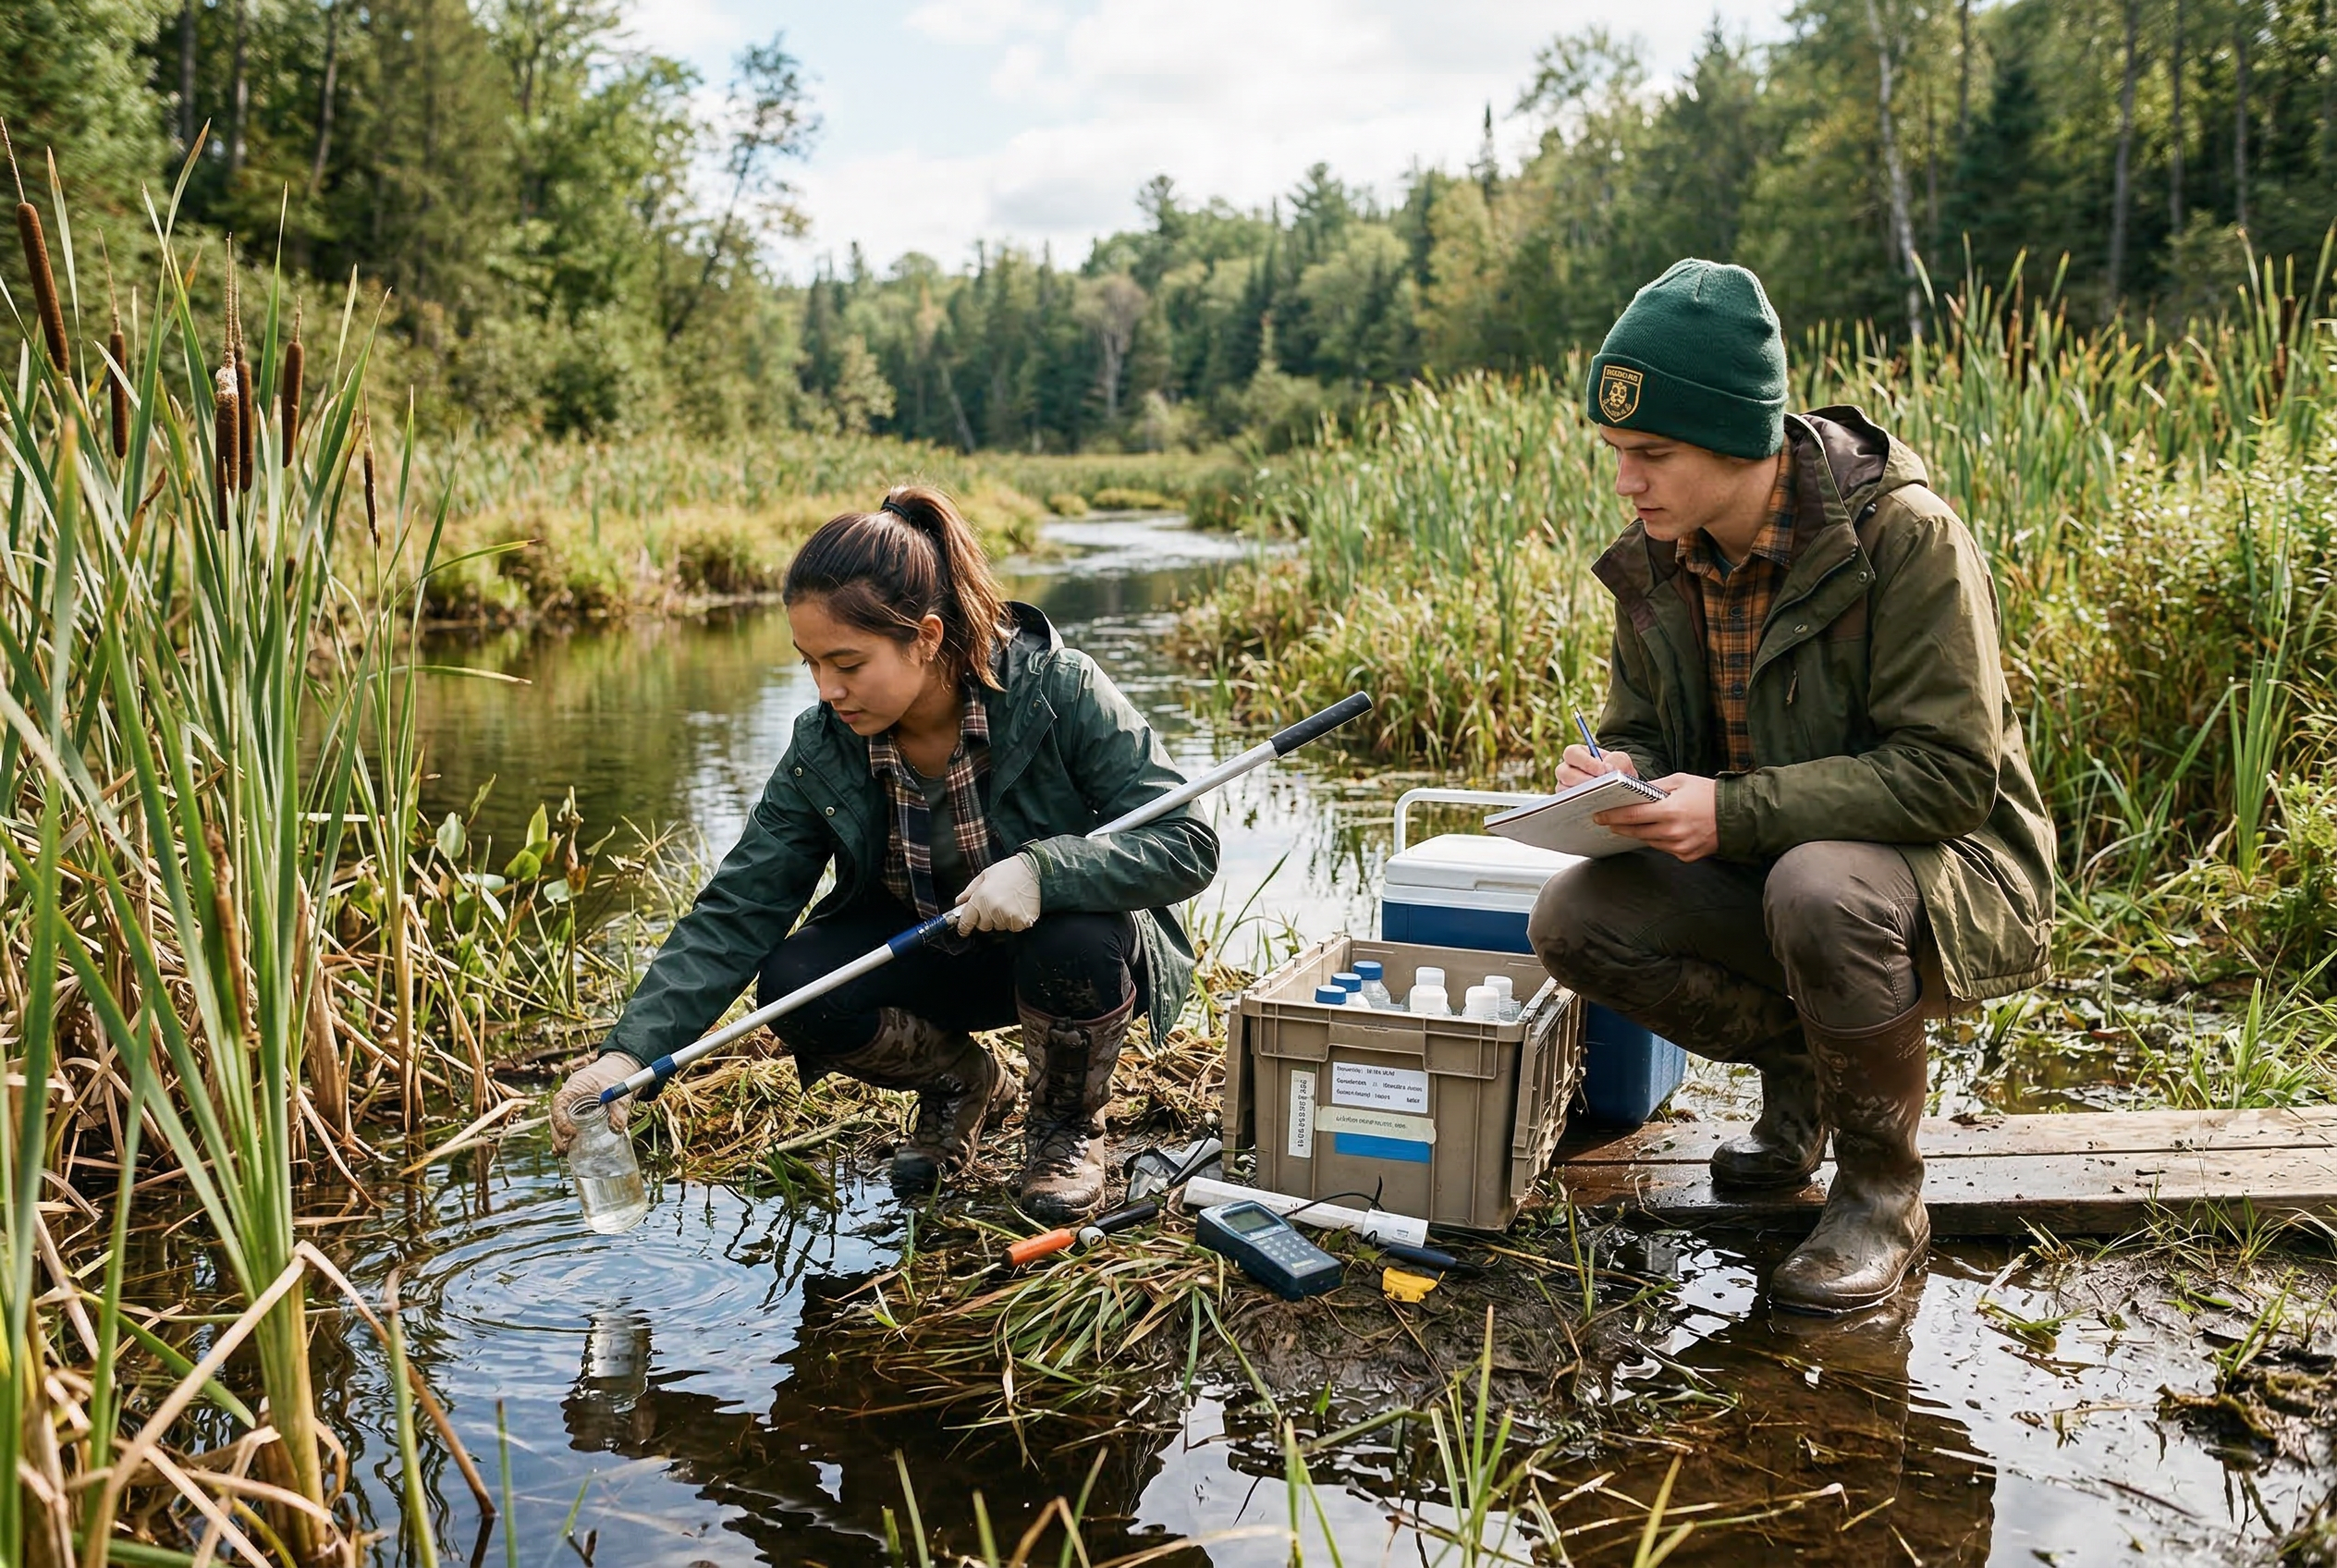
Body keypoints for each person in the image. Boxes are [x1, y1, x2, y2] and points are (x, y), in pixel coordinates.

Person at [1528, 260, 2056, 1315]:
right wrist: (1612, 770)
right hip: (1773, 861)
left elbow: (1951, 775)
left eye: (1649, 454)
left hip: (1953, 873)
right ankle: (1808, 1079)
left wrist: (1728, 810)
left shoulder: (1905, 538)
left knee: (1816, 886)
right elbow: (1639, 722)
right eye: (1615, 454)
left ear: (1739, 438)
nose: (1624, 482)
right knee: (1574, 918)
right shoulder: (1658, 559)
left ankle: (1879, 1193)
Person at [548, 486, 1219, 1220]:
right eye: (809, 663)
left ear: (926, 637)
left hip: (1054, 963)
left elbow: (1186, 843)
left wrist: (1044, 870)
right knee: (796, 980)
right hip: (930, 956)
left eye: (848, 662)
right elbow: (739, 908)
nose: (827, 689)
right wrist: (627, 1055)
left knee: (1077, 933)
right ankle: (964, 1081)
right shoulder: (823, 747)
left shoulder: (1059, 688)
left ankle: (1065, 1131)